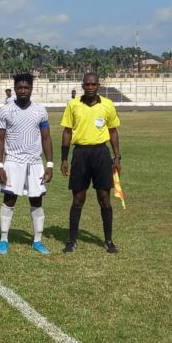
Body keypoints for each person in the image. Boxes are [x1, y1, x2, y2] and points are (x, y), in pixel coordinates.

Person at [60, 72, 121, 253]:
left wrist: (117, 157)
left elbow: (113, 131)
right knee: (78, 199)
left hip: (101, 153)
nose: (90, 87)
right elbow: (67, 132)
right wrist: (64, 158)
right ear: (83, 85)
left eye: (93, 84)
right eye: (87, 84)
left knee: (104, 198)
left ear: (98, 85)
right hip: (80, 154)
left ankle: (108, 241)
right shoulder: (73, 105)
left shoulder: (107, 105)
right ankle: (72, 241)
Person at [0, 73, 53, 255]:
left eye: (26, 87)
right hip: (13, 161)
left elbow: (46, 137)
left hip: (35, 162)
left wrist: (49, 164)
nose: (22, 90)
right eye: (19, 87)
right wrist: (0, 165)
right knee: (9, 199)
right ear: (14, 88)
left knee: (36, 200)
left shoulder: (40, 111)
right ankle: (4, 239)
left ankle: (37, 240)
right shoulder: (5, 110)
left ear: (31, 89)